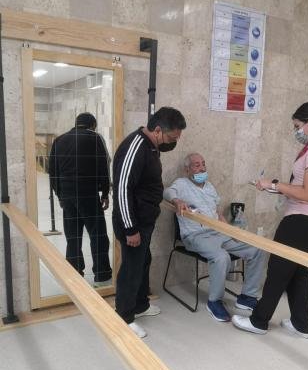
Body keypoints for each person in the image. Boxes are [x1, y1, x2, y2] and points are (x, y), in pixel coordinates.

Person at [232, 102, 308, 338]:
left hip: (301, 221)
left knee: (279, 269)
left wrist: (274, 185)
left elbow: (306, 193)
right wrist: (280, 188)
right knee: (299, 270)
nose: (296, 132)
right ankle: (301, 324)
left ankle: (259, 321)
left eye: (297, 126)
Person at [164, 153, 266, 322]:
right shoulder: (181, 184)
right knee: (221, 257)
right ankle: (214, 302)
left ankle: (247, 297)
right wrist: (177, 201)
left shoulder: (210, 187)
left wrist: (230, 232)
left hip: (218, 234)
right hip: (195, 236)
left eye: (203, 164)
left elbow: (217, 213)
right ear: (187, 169)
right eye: (197, 165)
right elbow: (167, 192)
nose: (202, 168)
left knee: (257, 250)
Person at [112, 106, 186, 338]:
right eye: (172, 138)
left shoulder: (151, 148)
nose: (173, 142)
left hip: (144, 220)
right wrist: (130, 229)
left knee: (144, 261)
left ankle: (140, 304)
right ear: (157, 130)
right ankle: (124, 317)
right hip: (132, 222)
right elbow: (122, 189)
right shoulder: (135, 147)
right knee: (132, 268)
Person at [49, 112, 112, 285]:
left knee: (73, 236)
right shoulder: (95, 138)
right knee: (98, 235)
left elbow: (52, 171)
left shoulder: (59, 140)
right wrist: (105, 193)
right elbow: (103, 166)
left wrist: (60, 194)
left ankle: (74, 273)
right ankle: (102, 274)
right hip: (88, 194)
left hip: (68, 195)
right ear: (92, 125)